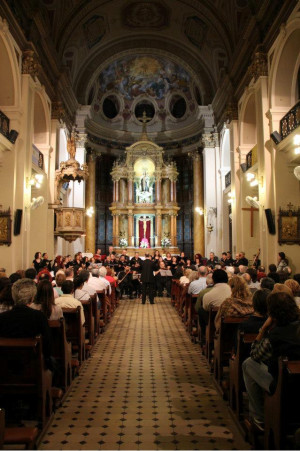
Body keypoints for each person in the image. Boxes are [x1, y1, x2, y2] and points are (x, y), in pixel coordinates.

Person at [242, 292, 300, 428]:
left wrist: (263, 330)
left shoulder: (275, 336)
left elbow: (255, 354)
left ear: (272, 313)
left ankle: (259, 418)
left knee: (248, 363)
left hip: (283, 384)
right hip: (295, 378)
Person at [0, 278, 52, 365]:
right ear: (32, 298)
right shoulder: (39, 317)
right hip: (34, 364)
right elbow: (48, 345)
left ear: (14, 296)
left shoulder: (2, 318)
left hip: (5, 366)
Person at [198, 270, 231, 344]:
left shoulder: (208, 295)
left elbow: (205, 308)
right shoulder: (233, 292)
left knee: (201, 310)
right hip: (232, 325)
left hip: (215, 323)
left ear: (213, 280)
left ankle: (205, 337)